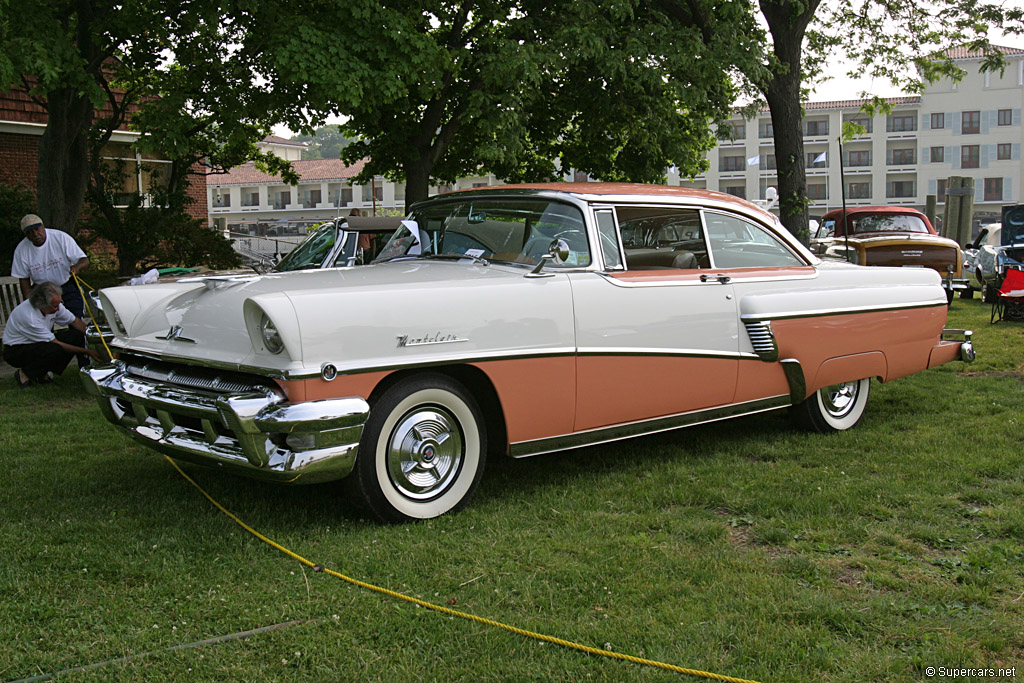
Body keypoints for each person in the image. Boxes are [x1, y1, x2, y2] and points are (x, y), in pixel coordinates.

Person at [2, 282, 100, 388]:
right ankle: (25, 373)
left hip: (39, 342)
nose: (58, 309)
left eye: (59, 303)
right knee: (54, 349)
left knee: (76, 335)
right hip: (16, 349)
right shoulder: (30, 317)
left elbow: (74, 321)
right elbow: (56, 343)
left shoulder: (54, 305)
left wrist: (97, 338)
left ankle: (41, 373)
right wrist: (88, 351)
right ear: (42, 304)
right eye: (55, 306)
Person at [11, 214, 90, 320]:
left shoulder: (60, 237)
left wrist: (77, 267)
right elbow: (24, 279)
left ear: (43, 227)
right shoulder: (21, 250)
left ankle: (78, 336)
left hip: (66, 285)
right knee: (42, 321)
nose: (35, 234)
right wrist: (29, 301)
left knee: (76, 316)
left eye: (37, 229)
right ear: (26, 235)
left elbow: (84, 260)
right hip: (42, 290)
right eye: (30, 232)